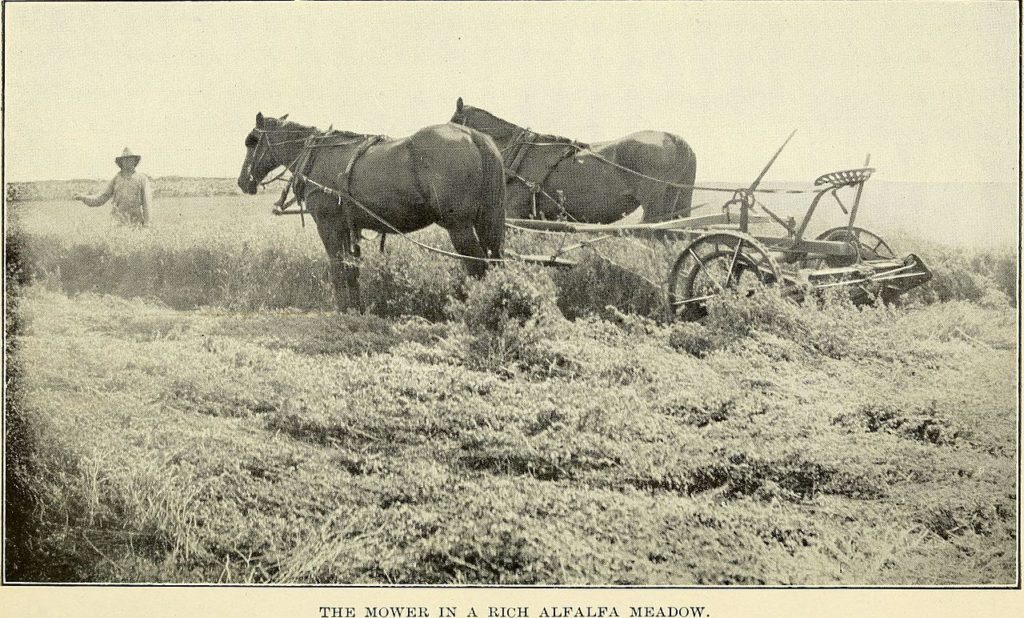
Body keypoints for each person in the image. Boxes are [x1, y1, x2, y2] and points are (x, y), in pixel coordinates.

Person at [74, 147, 153, 226]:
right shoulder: (116, 179)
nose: (127, 162)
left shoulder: (142, 179)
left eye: (129, 159)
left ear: (134, 161)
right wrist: (83, 197)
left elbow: (147, 204)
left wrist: (147, 224)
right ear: (121, 163)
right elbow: (101, 198)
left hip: (136, 224)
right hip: (117, 224)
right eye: (124, 160)